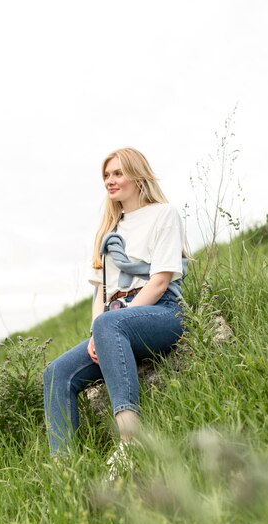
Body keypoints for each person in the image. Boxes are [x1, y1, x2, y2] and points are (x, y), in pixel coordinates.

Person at [43, 147, 187, 477]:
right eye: (107, 175)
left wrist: (110, 323)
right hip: (114, 319)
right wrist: (99, 330)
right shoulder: (111, 230)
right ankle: (63, 470)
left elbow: (160, 282)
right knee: (56, 374)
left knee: (110, 322)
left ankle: (129, 440)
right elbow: (100, 293)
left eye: (118, 173)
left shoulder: (164, 215)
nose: (111, 180)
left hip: (161, 313)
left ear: (138, 177)